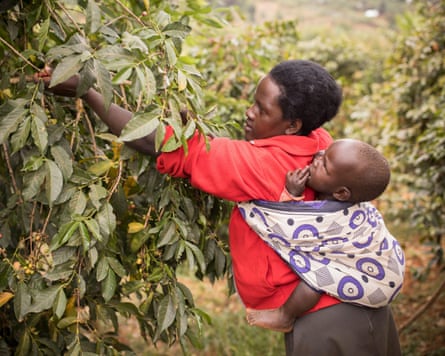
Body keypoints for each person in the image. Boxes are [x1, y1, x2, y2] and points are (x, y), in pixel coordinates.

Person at [36, 59, 401, 355]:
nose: (248, 113)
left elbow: (156, 142)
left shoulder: (262, 165)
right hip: (343, 307)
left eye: (261, 109)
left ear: (293, 124)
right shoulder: (317, 142)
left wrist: (91, 92)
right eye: (252, 101)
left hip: (331, 321)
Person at [238, 139, 405, 332]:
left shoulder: (333, 218)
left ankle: (285, 316)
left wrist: (291, 195)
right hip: (383, 265)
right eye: (323, 153)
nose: (317, 158)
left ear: (341, 193)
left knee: (317, 276)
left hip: (379, 280)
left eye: (324, 165)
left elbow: (290, 229)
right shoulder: (339, 195)